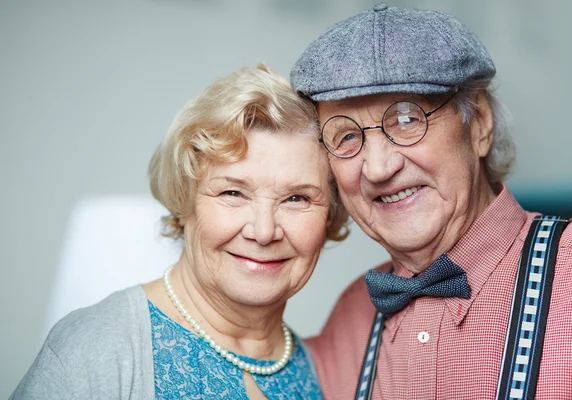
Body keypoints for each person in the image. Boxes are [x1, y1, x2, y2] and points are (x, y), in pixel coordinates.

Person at [290, 4, 572, 400]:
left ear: (480, 124)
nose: (379, 167)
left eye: (406, 119)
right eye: (346, 136)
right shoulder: (347, 321)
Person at [11, 64, 349, 399]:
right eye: (233, 193)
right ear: (183, 199)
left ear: (330, 216)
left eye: (297, 198)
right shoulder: (98, 348)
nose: (263, 231)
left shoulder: (329, 371)